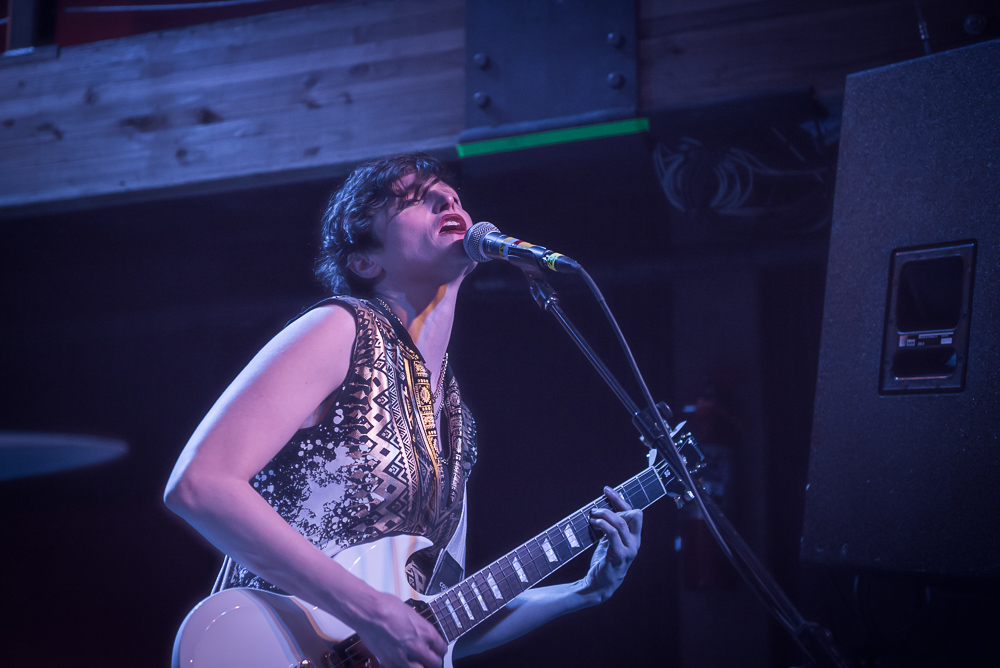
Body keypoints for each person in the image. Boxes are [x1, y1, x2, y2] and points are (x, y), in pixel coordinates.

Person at [164, 152, 643, 667]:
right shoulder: (342, 328)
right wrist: (371, 611)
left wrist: (580, 593)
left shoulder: (457, 421)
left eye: (451, 194)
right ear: (366, 261)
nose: (447, 198)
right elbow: (200, 484)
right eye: (412, 198)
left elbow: (435, 621)